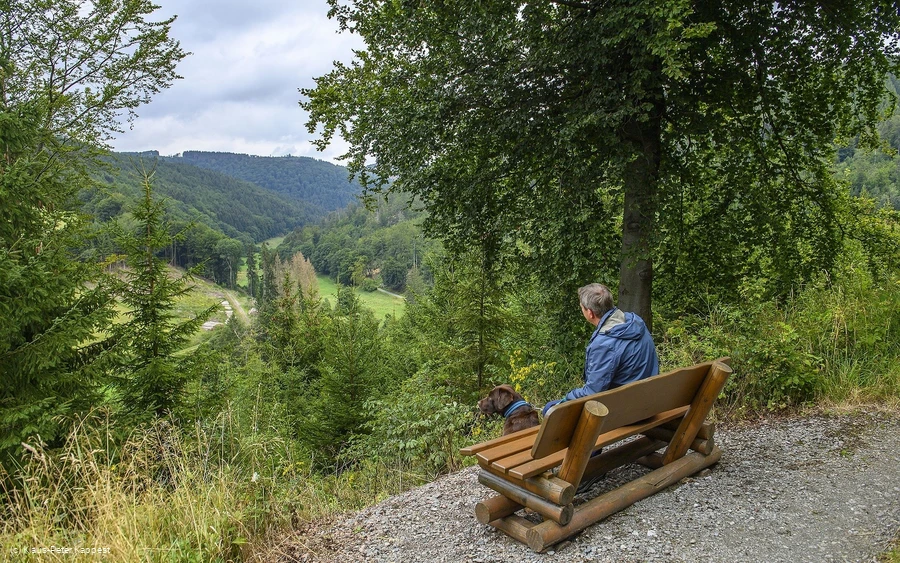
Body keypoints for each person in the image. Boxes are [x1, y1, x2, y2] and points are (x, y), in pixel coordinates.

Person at [542, 283, 659, 416]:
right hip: (650, 401)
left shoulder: (604, 344)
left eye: (582, 308)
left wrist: (565, 399)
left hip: (628, 413)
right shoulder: (635, 322)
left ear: (590, 313)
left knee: (550, 409)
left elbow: (592, 393)